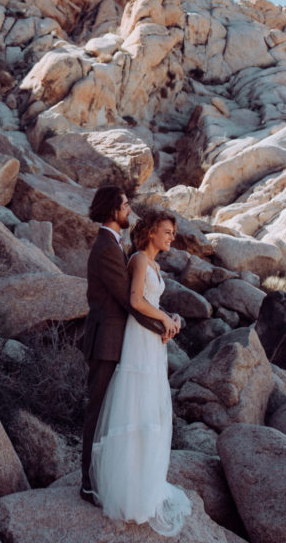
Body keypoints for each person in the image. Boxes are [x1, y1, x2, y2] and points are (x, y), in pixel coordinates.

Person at [89, 207, 191, 536]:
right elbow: (135, 300)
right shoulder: (138, 261)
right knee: (136, 405)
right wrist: (164, 319)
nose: (171, 237)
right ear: (150, 233)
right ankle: (128, 493)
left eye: (173, 233)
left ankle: (145, 487)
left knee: (152, 407)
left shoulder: (156, 264)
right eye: (166, 231)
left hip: (152, 341)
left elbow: (151, 302)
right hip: (139, 339)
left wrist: (170, 317)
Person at [80, 185, 174, 504]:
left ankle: (107, 474)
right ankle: (88, 484)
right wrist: (162, 323)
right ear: (112, 210)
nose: (128, 210)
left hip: (119, 340)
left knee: (112, 411)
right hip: (106, 340)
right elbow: (128, 301)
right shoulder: (107, 247)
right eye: (124, 205)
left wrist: (161, 324)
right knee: (97, 411)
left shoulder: (115, 244)